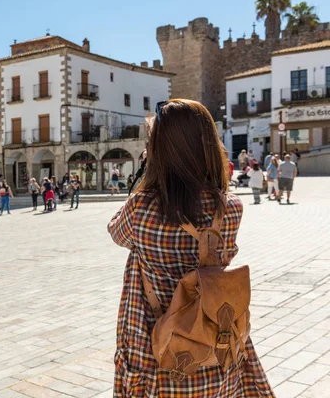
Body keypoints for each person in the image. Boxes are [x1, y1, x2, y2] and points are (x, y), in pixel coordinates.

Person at [107, 99, 273, 397]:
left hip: (161, 356)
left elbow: (116, 233)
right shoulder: (230, 208)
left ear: (159, 150)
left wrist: (148, 174)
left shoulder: (140, 208)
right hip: (214, 349)